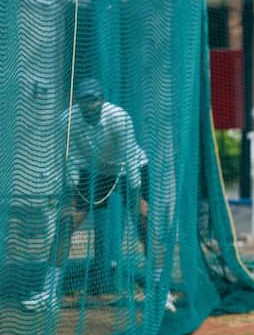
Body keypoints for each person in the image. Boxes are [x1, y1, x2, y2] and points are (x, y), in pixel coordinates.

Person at [22, 78, 174, 312]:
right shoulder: (68, 120)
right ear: (78, 101)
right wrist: (71, 192)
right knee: (66, 223)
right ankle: (49, 294)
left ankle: (160, 294)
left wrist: (136, 199)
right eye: (84, 100)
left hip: (127, 169)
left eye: (94, 99)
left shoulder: (119, 118)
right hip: (94, 173)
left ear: (102, 100)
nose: (89, 105)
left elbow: (131, 161)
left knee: (144, 221)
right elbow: (70, 159)